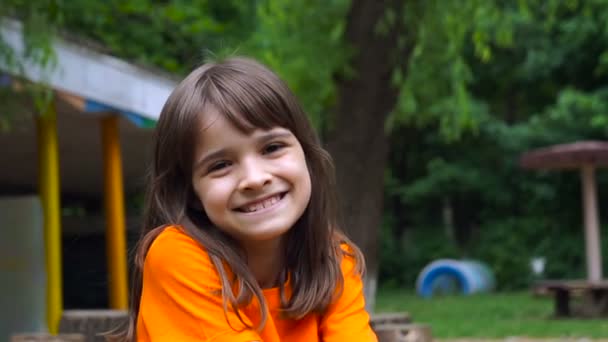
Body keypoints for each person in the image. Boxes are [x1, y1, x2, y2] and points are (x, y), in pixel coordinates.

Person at [121, 57, 377, 341]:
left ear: (305, 153)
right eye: (220, 165)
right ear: (191, 193)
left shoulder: (333, 259)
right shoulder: (176, 255)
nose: (255, 178)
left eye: (272, 147)